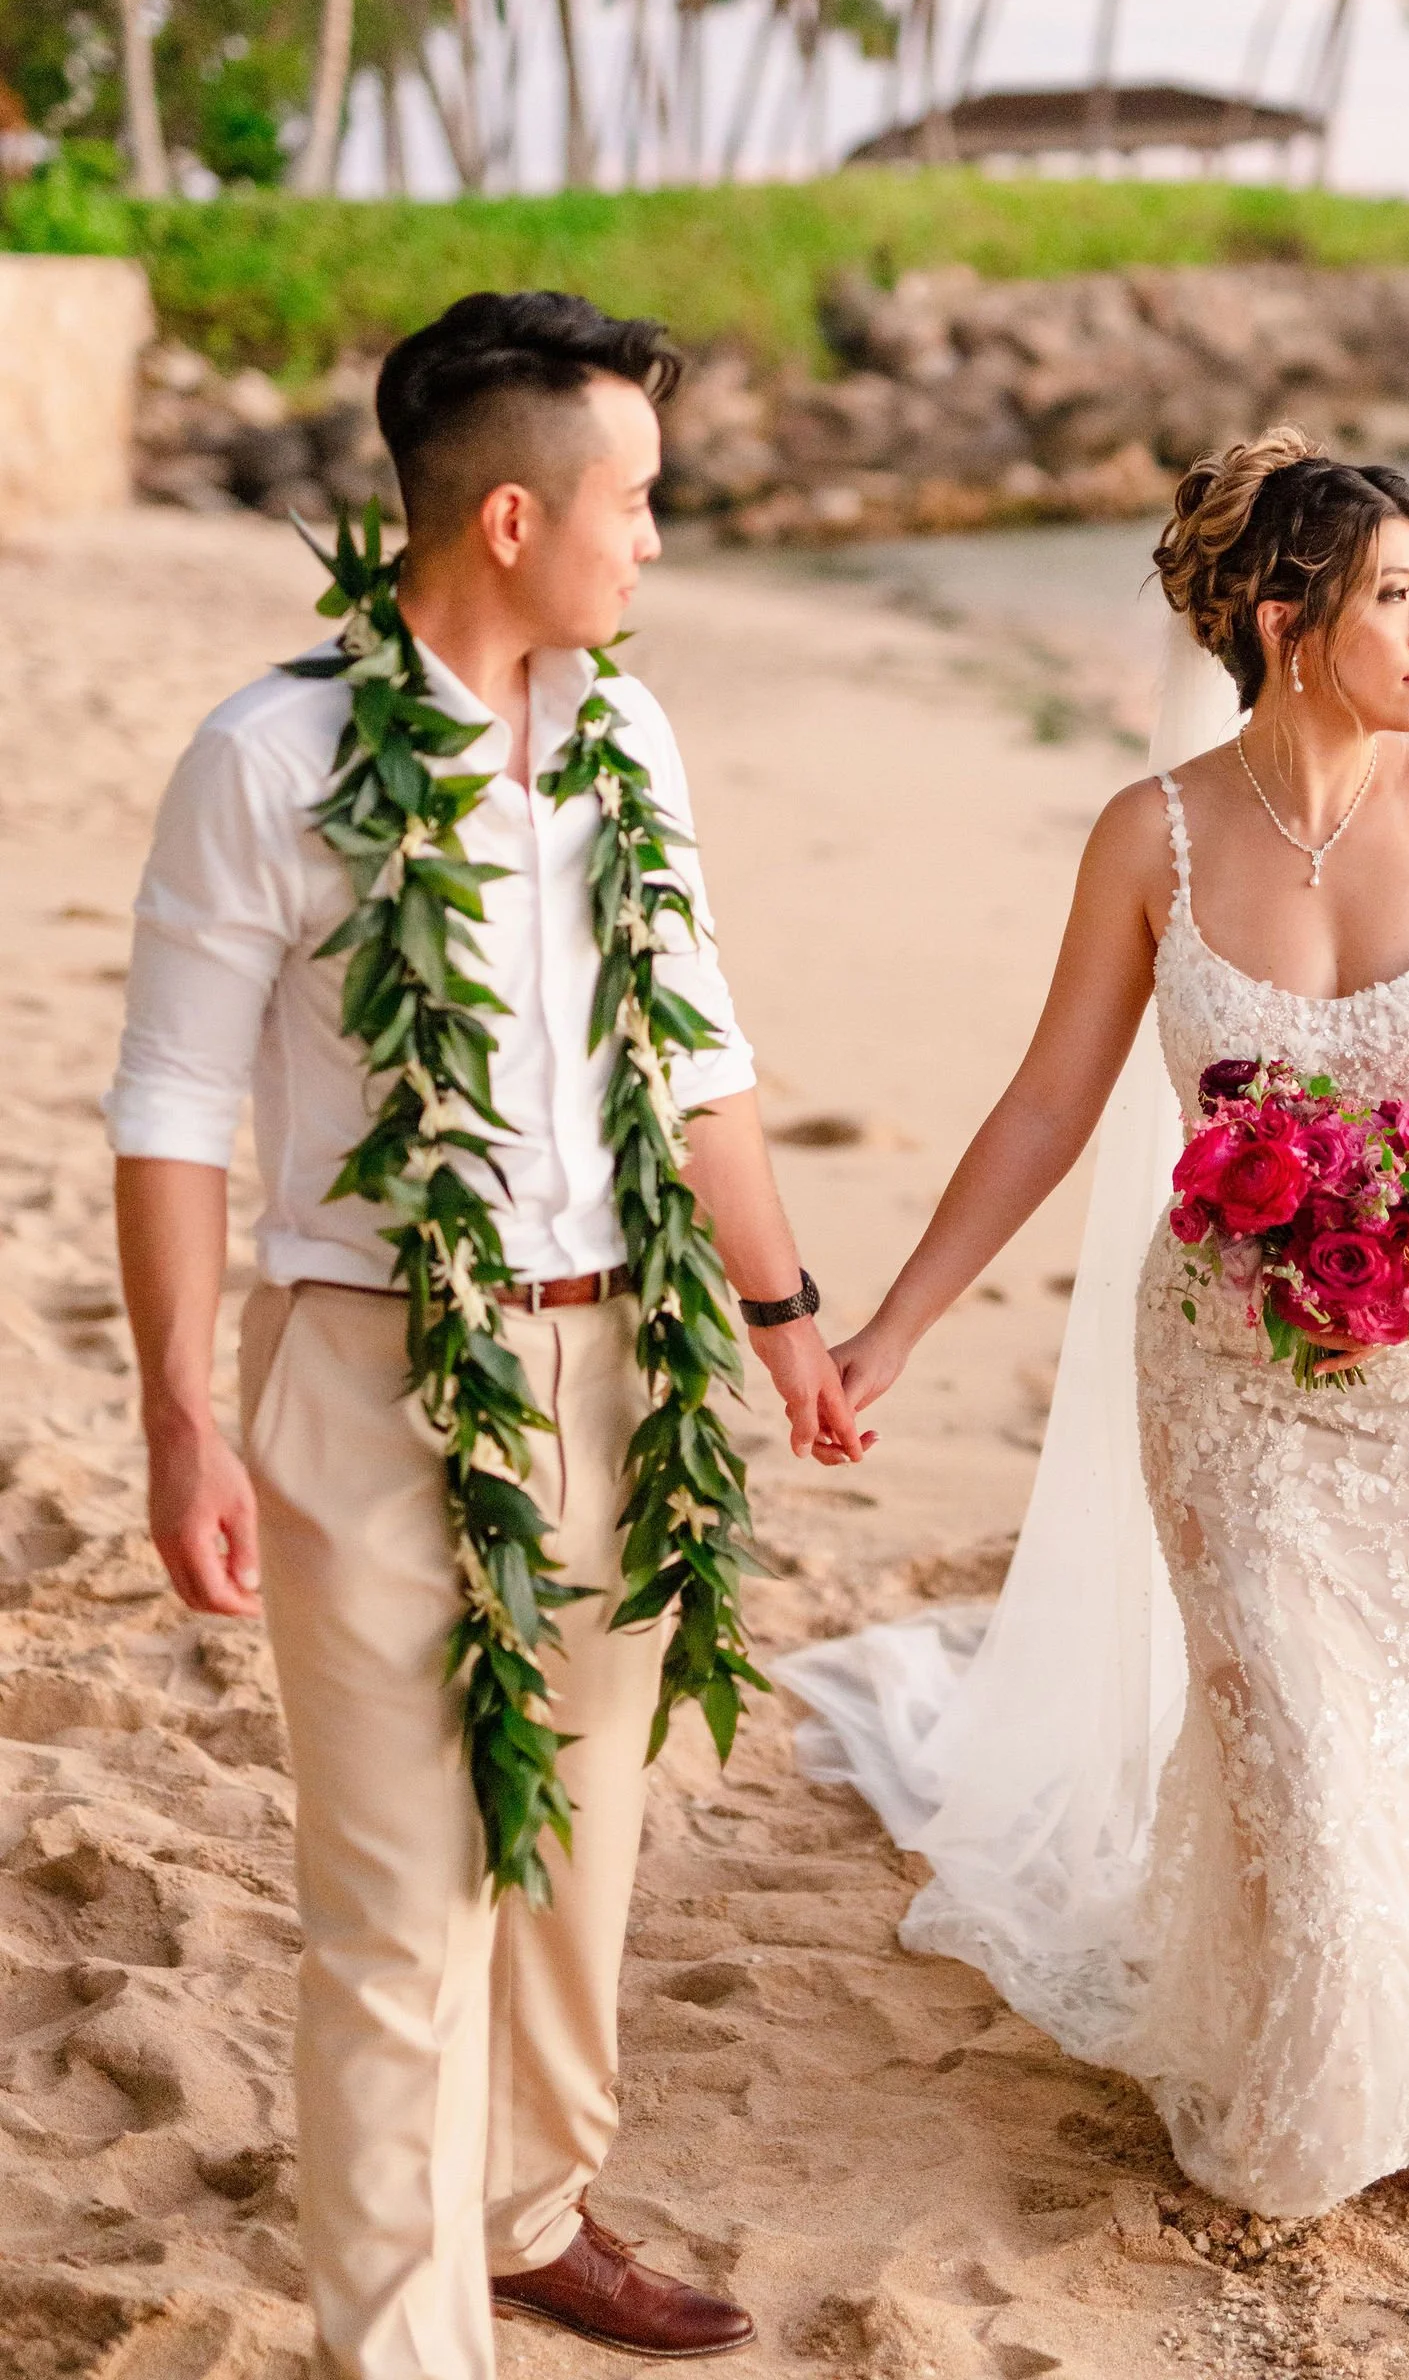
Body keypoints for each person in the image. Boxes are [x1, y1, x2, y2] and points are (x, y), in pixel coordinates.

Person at [108, 292, 865, 2380]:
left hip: (621, 1362)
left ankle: (532, 2216)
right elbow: (172, 1107)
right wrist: (181, 1419)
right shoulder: (273, 756)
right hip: (365, 1368)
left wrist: (781, 1316)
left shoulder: (629, 737)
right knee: (397, 1907)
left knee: (581, 1854)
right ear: (510, 515)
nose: (658, 537)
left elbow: (696, 1042)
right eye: (635, 499)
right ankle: (403, 2344)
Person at [786, 430, 1409, 2264]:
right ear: (1279, 612)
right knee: (1302, 1756)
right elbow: (1047, 1108)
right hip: (1237, 1384)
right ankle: (1325, 2083)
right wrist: (897, 1326)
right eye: (1391, 592)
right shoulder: (1148, 835)